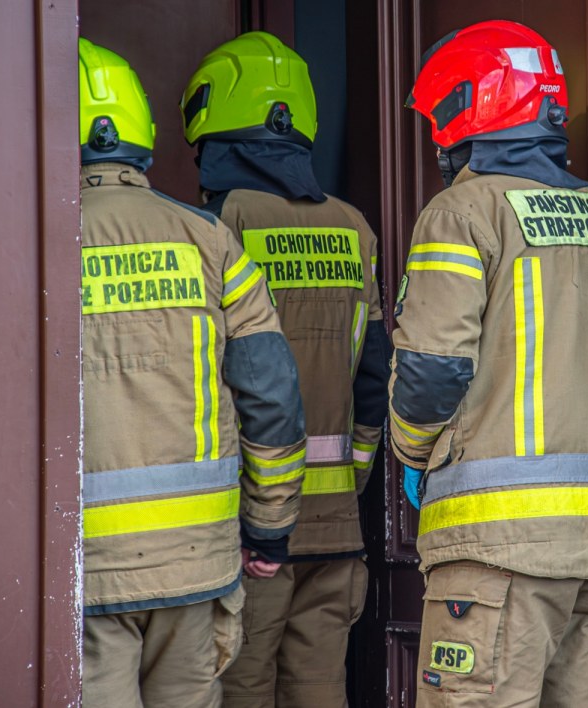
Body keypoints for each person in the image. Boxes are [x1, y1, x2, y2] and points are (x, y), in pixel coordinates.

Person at [390, 20, 588, 707]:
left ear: (464, 109)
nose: (435, 140)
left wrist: (414, 454)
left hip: (498, 551)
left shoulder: (462, 212)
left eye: (437, 120)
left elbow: (431, 369)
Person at [78, 38, 307, 708]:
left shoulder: (31, 249)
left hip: (87, 576)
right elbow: (271, 393)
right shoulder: (210, 240)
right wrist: (269, 528)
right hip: (199, 565)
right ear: (144, 135)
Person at [180, 31, 391, 708]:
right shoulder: (354, 227)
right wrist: (347, 482)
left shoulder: (216, 226)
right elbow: (375, 375)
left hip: (248, 536)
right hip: (337, 535)